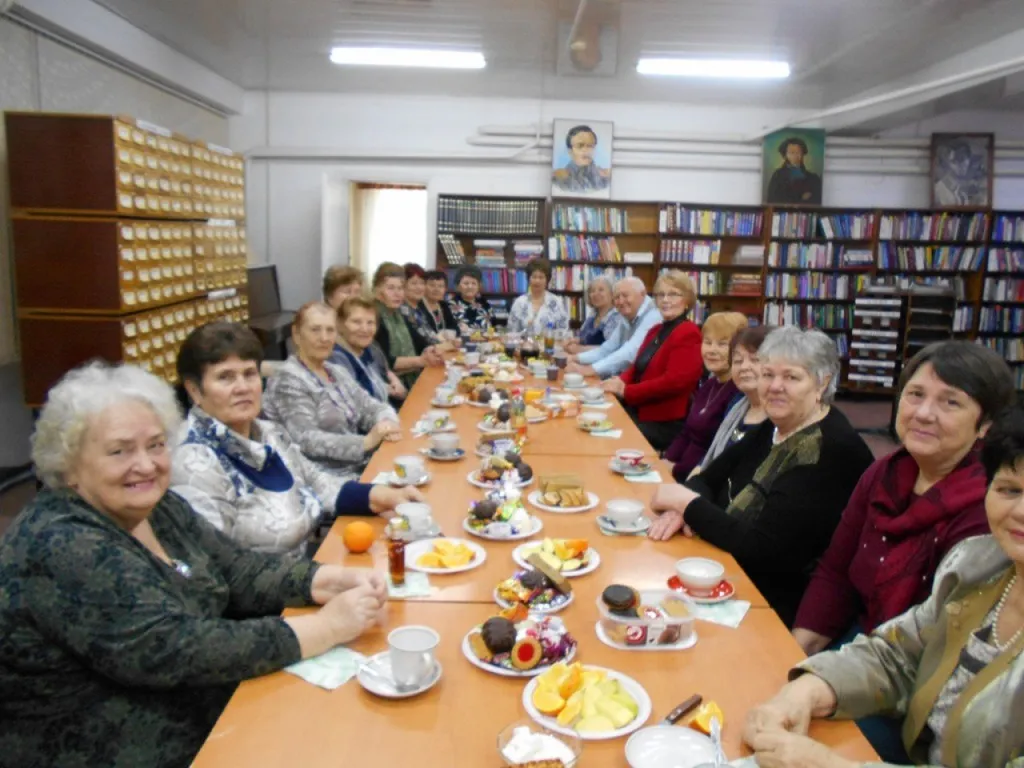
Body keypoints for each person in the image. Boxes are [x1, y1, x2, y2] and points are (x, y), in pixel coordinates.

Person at [0, 362, 388, 767]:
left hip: (207, 710)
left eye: (155, 445)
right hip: (122, 745)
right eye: (119, 451)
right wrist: (326, 627)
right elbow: (177, 648)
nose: (146, 464)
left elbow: (237, 568)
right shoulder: (62, 541)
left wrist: (323, 579)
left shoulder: (157, 507)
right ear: (68, 465)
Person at [744, 405, 1024, 768]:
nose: (1020, 512)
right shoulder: (976, 565)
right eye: (1009, 489)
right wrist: (805, 692)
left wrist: (830, 765)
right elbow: (898, 654)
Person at [792, 342, 1014, 653]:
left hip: (914, 660)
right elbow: (836, 571)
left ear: (985, 426)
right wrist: (796, 650)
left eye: (951, 402)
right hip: (857, 634)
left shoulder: (987, 507)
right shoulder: (885, 473)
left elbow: (940, 638)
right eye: (916, 394)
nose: (923, 414)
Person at [647, 327, 874, 627]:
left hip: (773, 603)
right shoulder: (777, 424)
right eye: (768, 374)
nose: (775, 386)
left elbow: (763, 550)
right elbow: (709, 478)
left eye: (791, 377)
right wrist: (683, 509)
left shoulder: (829, 449)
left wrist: (686, 504)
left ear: (822, 382)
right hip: (726, 565)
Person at [171, 322, 420, 557]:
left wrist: (378, 495)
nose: (242, 387)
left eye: (249, 374)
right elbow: (223, 567)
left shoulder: (268, 433)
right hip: (274, 585)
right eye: (225, 377)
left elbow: (316, 481)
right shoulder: (194, 464)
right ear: (194, 390)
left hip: (304, 565)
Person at [263, 302, 402, 480]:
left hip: (360, 466)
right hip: (326, 480)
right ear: (296, 335)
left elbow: (370, 406)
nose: (324, 338)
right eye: (315, 330)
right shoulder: (288, 379)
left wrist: (387, 422)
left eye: (330, 330)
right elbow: (306, 439)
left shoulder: (336, 371)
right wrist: (365, 442)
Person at [602, 271, 703, 452]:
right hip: (640, 410)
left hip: (665, 422)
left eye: (673, 294)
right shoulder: (655, 330)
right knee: (600, 421)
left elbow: (672, 383)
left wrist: (626, 391)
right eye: (660, 295)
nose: (665, 300)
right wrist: (618, 381)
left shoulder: (689, 332)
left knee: (609, 438)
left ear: (687, 300)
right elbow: (636, 367)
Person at [664, 311, 750, 480]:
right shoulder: (709, 385)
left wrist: (675, 469)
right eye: (708, 342)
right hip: (677, 472)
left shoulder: (738, 393)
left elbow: (716, 452)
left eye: (722, 344)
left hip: (699, 478)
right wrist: (665, 461)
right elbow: (686, 433)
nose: (712, 350)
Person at [696, 324, 772, 473]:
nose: (744, 367)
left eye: (755, 359)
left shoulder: (778, 419)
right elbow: (712, 459)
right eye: (738, 361)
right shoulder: (737, 403)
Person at [323, 266, 405, 403]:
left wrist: (391, 378)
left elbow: (378, 363)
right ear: (329, 297)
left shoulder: (363, 324)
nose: (353, 297)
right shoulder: (325, 336)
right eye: (347, 291)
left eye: (357, 292)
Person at [567, 276, 661, 379]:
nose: (620, 301)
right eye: (617, 297)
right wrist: (575, 358)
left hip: (647, 382)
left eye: (625, 295)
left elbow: (630, 352)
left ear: (642, 294)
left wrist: (590, 369)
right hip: (626, 378)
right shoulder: (626, 316)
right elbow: (607, 349)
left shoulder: (654, 314)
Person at [372, 262, 443, 390]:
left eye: (400, 288)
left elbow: (419, 341)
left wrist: (430, 350)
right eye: (391, 288)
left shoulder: (397, 313)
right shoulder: (374, 317)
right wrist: (421, 361)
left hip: (410, 380)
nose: (397, 293)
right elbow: (385, 362)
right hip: (391, 388)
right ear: (377, 290)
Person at [330, 295, 398, 404]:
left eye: (370, 323)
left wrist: (388, 388)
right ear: (340, 324)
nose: (365, 329)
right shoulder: (336, 357)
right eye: (357, 322)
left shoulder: (367, 349)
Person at [506, 258, 570, 335]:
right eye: (534, 277)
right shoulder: (519, 303)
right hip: (524, 343)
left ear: (547, 280)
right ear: (528, 279)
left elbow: (563, 332)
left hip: (550, 342)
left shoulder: (556, 303)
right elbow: (512, 332)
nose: (537, 281)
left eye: (541, 277)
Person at [552, 124, 611, 194]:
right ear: (570, 151)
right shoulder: (558, 178)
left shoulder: (606, 177)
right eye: (580, 146)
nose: (586, 150)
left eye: (590, 146)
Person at [766, 137, 823, 205]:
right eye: (792, 152)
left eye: (798, 152)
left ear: (803, 154)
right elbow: (773, 200)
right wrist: (801, 199)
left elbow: (816, 201)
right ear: (785, 155)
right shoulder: (777, 176)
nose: (795, 156)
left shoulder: (813, 178)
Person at [572, 276, 621, 349]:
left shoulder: (616, 317)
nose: (595, 294)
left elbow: (611, 349)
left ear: (612, 294)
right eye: (592, 291)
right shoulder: (593, 315)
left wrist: (579, 349)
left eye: (601, 290)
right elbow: (584, 338)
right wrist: (574, 341)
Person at [449, 265, 492, 332]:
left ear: (479, 286)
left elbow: (491, 330)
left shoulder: (485, 305)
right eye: (466, 283)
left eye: (474, 283)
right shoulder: (449, 306)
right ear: (458, 286)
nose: (470, 287)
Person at [421, 269, 459, 338]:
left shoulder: (443, 305)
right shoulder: (419, 306)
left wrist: (450, 334)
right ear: (423, 286)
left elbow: (455, 328)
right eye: (432, 285)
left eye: (441, 286)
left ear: (445, 289)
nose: (436, 289)